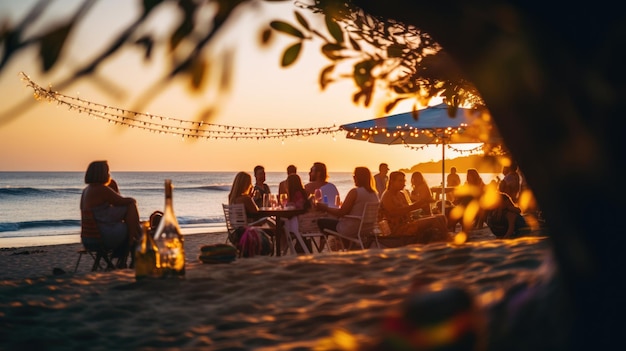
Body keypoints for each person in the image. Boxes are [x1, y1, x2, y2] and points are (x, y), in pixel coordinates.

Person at [80, 160, 140, 268]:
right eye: (107, 172)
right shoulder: (101, 189)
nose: (109, 174)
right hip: (101, 239)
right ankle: (132, 242)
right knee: (131, 207)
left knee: (129, 225)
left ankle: (135, 239)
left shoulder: (86, 190)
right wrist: (132, 199)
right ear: (102, 173)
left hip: (88, 239)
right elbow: (123, 201)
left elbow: (107, 213)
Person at [316, 167, 379, 249]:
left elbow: (342, 212)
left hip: (351, 228)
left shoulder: (355, 192)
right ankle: (345, 245)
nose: (353, 178)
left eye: (354, 176)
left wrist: (325, 208)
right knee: (335, 221)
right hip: (367, 229)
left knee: (321, 221)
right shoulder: (374, 194)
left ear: (358, 177)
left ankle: (321, 248)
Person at [379, 171, 450, 243]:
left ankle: (444, 240)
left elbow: (408, 210)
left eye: (404, 181)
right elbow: (394, 212)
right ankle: (446, 241)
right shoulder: (387, 195)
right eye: (400, 181)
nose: (403, 183)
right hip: (398, 230)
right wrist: (415, 206)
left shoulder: (401, 194)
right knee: (436, 220)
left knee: (441, 217)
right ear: (392, 182)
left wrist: (420, 207)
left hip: (408, 223)